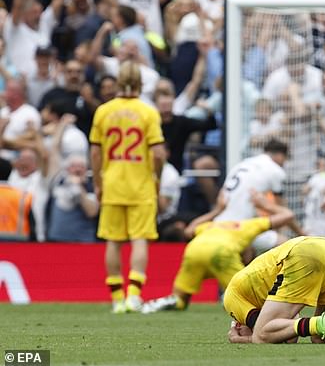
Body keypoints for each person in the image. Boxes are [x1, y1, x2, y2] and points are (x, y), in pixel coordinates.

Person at [89, 61, 166, 313]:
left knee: (113, 241)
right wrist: (156, 179)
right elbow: (157, 154)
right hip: (140, 185)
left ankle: (117, 299)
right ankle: (134, 295)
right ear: (141, 84)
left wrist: (98, 183)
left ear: (117, 83)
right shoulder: (148, 112)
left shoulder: (103, 111)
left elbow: (95, 153)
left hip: (112, 184)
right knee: (140, 240)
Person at [142, 190, 297, 313]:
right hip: (221, 253)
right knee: (247, 294)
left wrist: (217, 209)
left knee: (181, 298)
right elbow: (288, 215)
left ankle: (171, 301)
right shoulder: (246, 225)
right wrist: (266, 205)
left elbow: (189, 230)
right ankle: (231, 300)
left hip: (194, 251)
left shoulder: (212, 225)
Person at [224, 236, 325, 345]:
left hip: (306, 253)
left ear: (238, 325)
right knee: (319, 337)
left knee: (261, 336)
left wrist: (239, 339)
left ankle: (323, 322)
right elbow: (290, 336)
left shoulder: (231, 298)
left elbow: (262, 333)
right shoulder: (266, 298)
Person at [190, 138, 302, 254]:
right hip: (240, 227)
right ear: (280, 155)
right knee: (287, 246)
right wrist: (302, 234)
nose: (284, 163)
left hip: (218, 224)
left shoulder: (241, 164)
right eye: (285, 159)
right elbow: (283, 212)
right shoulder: (275, 171)